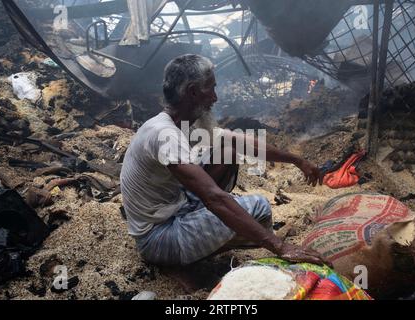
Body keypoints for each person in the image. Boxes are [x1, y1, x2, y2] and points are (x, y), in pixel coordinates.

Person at [120, 54, 328, 287]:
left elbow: (242, 142)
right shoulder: (164, 134)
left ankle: (203, 246)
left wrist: (295, 159)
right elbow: (213, 197)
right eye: (211, 88)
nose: (215, 97)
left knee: (227, 151)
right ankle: (178, 262)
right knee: (259, 207)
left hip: (173, 208)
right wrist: (280, 247)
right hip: (158, 238)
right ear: (192, 92)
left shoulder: (183, 124)